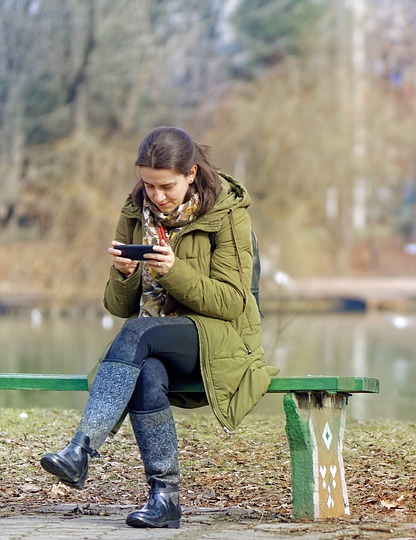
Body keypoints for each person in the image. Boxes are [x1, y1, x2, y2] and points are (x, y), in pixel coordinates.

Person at [39, 126, 277, 529]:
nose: (157, 195)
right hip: (156, 343)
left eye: (166, 185)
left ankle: (81, 450)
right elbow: (117, 306)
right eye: (148, 185)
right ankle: (165, 497)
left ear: (191, 174)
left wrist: (174, 272)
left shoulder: (227, 215)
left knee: (138, 333)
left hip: (222, 340)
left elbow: (232, 302)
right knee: (145, 370)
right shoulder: (134, 214)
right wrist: (124, 274)